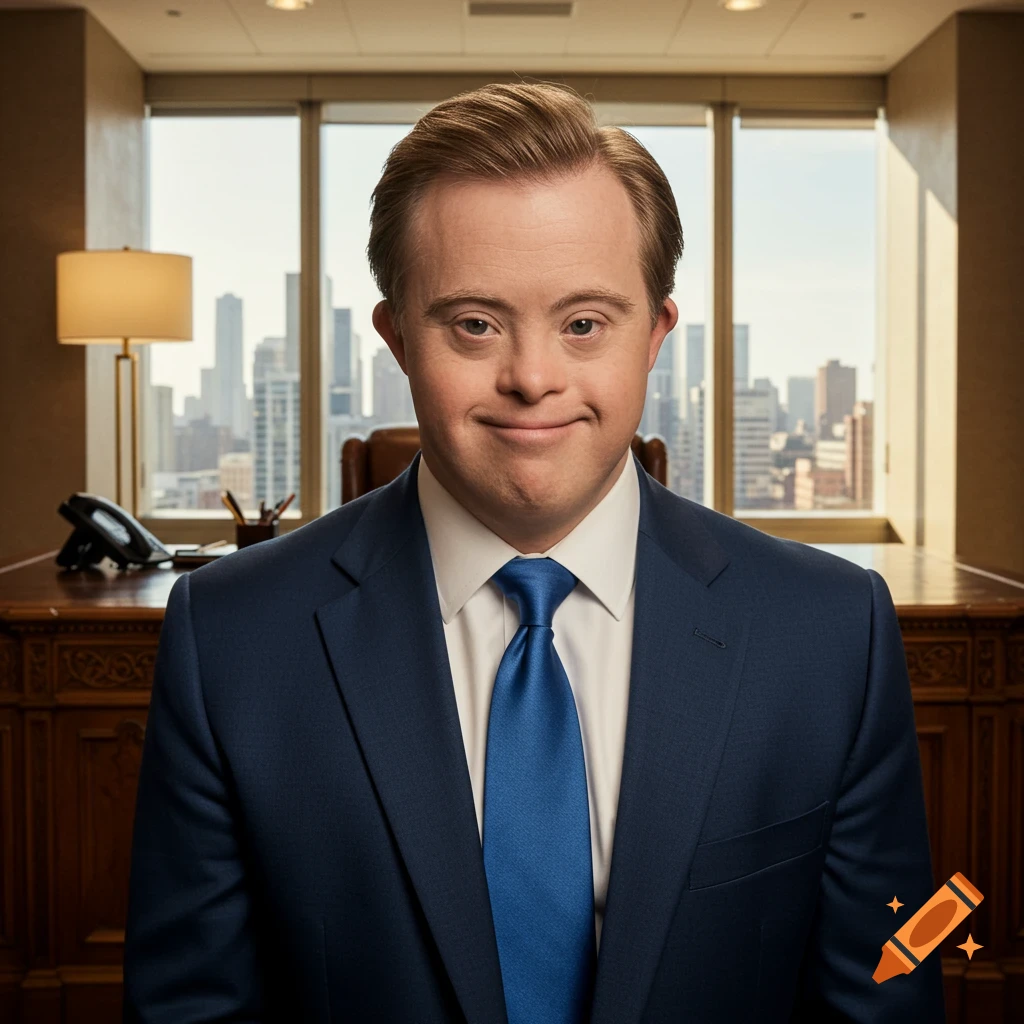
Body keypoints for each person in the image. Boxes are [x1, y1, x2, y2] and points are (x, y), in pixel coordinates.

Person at [123, 82, 944, 1023]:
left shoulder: (831, 633)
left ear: (655, 336)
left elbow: (884, 990)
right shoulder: (230, 637)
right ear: (395, 339)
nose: (534, 378)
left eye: (585, 323)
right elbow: (191, 1010)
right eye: (474, 323)